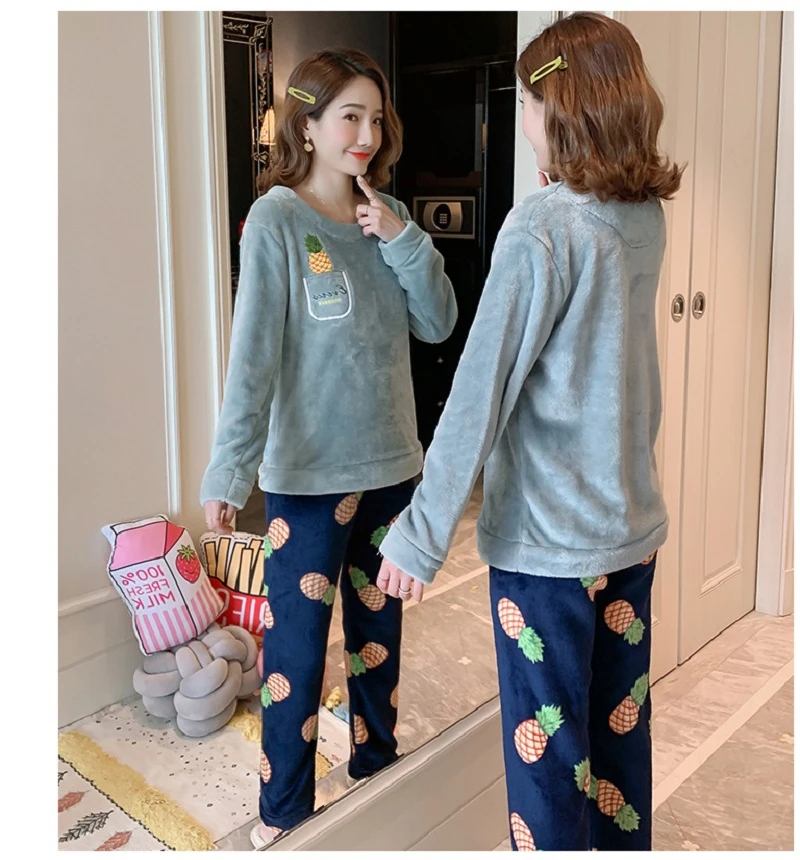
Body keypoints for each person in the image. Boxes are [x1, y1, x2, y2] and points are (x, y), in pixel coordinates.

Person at [377, 12, 683, 852]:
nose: (523, 119)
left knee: (549, 763)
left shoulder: (542, 226)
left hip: (549, 553)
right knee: (618, 742)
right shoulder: (641, 216)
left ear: (562, 108)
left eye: (526, 103)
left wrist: (421, 532)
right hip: (629, 532)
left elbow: (480, 389)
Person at [200, 48, 457, 848]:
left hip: (392, 470)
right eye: (350, 117)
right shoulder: (277, 219)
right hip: (307, 480)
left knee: (380, 642)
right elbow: (254, 357)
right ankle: (286, 814)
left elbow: (439, 323)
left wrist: (403, 238)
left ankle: (377, 770)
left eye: (376, 118)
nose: (367, 135)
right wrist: (229, 471)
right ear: (306, 127)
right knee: (298, 654)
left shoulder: (389, 215)